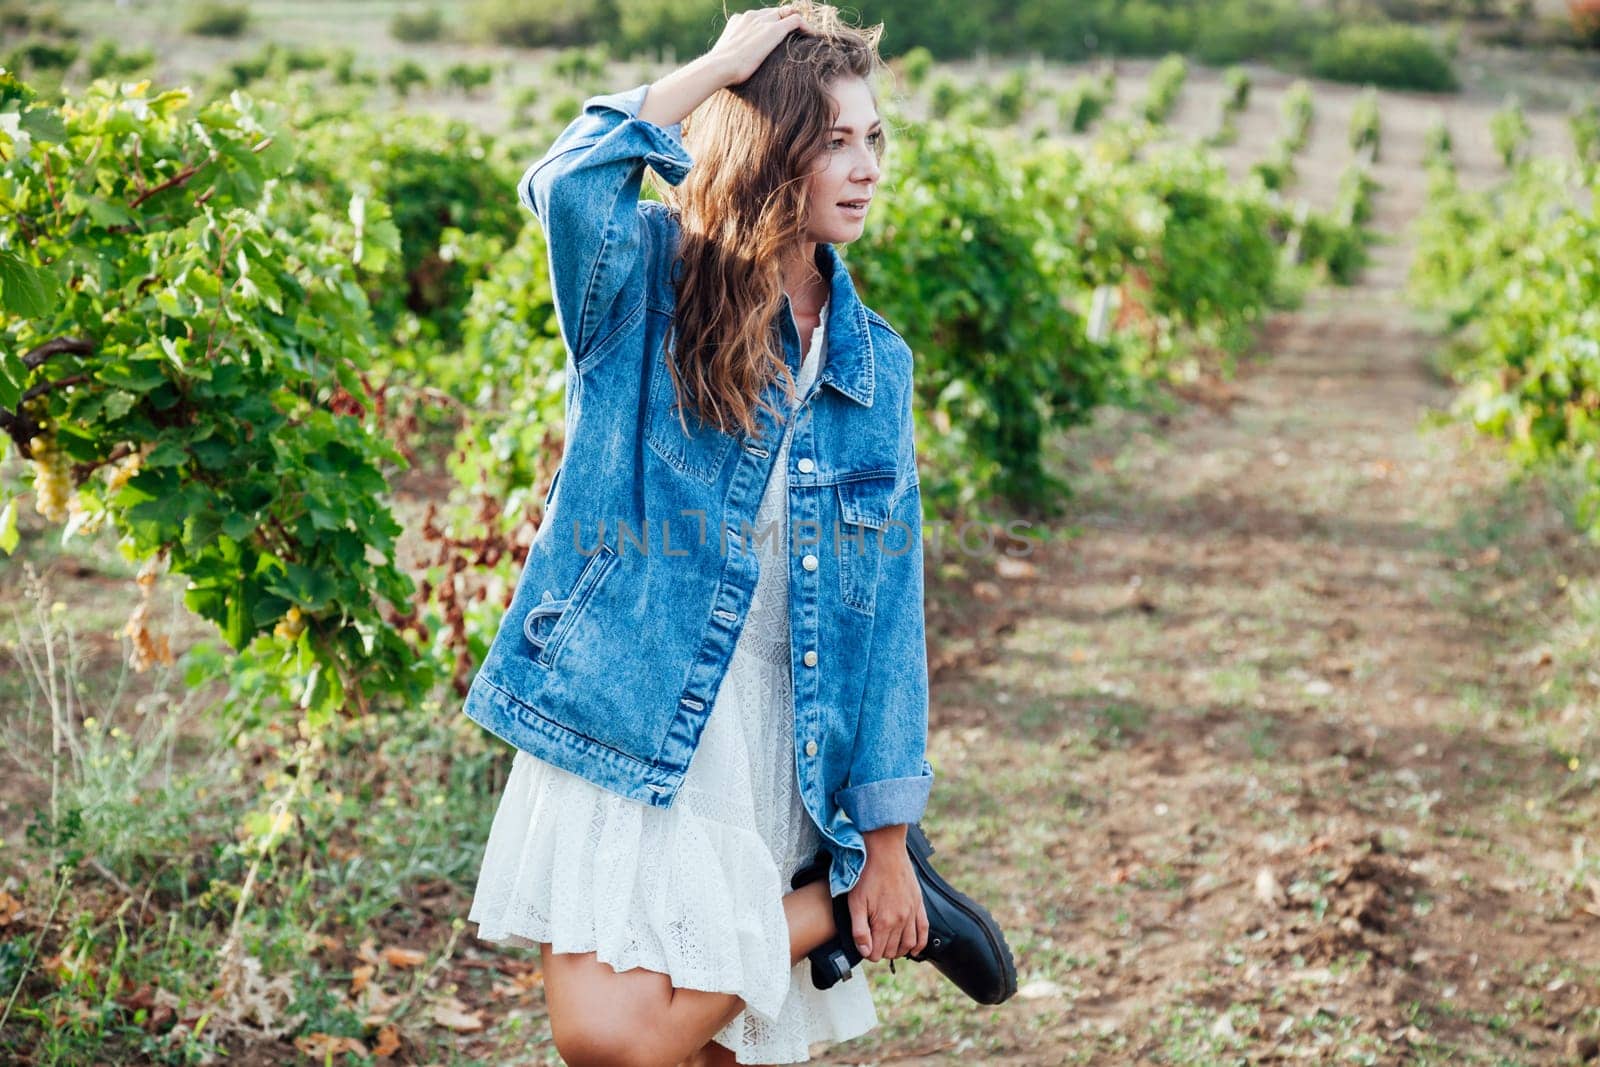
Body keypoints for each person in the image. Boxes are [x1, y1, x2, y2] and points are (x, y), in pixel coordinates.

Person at [462, 4, 1016, 1065]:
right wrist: (720, 66)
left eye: (873, 139)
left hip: (780, 730)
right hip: (635, 706)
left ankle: (840, 893)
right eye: (832, 141)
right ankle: (822, 910)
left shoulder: (871, 365)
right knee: (618, 1041)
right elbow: (569, 179)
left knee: (664, 1049)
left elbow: (889, 614)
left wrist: (887, 835)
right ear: (770, 152)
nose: (865, 168)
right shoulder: (651, 286)